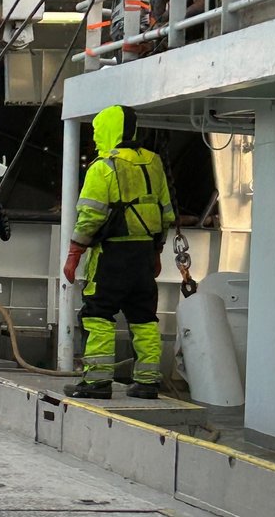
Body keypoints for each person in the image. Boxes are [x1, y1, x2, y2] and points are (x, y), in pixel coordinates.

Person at [63, 105, 175, 400]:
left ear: (110, 131)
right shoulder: (154, 163)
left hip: (111, 255)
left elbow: (90, 216)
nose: (97, 139)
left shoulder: (103, 167)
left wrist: (75, 253)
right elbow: (165, 213)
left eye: (99, 132)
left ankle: (97, 382)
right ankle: (148, 382)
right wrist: (157, 251)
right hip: (144, 255)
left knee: (97, 314)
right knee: (144, 316)